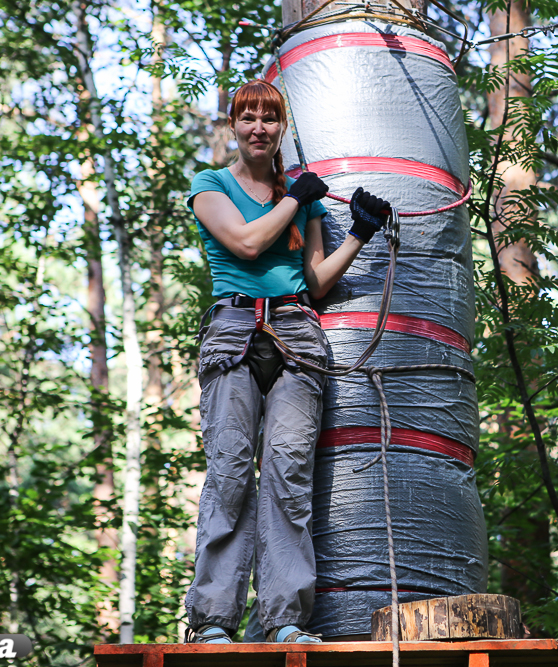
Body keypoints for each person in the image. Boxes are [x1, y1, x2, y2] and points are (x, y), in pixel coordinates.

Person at [183, 80, 391, 644]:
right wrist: (295, 197)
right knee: (229, 471)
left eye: (269, 120)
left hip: (298, 331)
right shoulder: (212, 186)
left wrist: (362, 236)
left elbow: (317, 281)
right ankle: (213, 622)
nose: (258, 128)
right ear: (233, 127)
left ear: (281, 130)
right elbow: (247, 245)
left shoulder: (304, 197)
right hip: (234, 330)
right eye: (247, 118)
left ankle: (283, 621)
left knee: (288, 475)